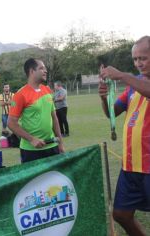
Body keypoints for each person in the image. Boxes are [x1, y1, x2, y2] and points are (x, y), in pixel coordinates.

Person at [99, 35, 150, 236]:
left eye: (144, 58)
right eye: (136, 59)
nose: (139, 63)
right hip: (130, 165)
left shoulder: (132, 81)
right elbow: (113, 112)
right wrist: (103, 98)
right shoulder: (134, 83)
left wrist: (121, 75)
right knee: (120, 214)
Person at [8, 58, 65, 163]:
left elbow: (54, 117)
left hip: (52, 146)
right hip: (31, 151)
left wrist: (60, 142)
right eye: (41, 68)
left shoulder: (47, 90)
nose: (45, 71)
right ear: (32, 71)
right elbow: (11, 123)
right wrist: (32, 139)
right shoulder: (20, 95)